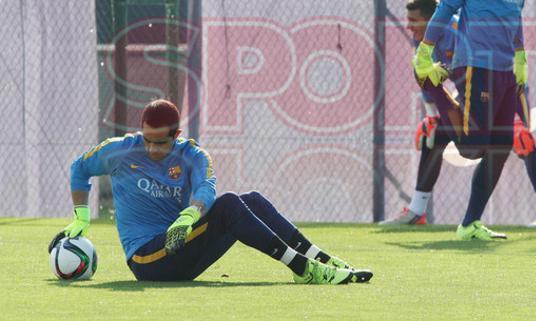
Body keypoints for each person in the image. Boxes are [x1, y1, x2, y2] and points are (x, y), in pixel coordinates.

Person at [48, 99, 373, 284]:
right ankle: (304, 270)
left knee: (252, 200)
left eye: (160, 142)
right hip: (148, 260)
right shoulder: (120, 150)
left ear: (176, 135)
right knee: (232, 205)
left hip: (182, 245)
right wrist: (81, 216)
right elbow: (79, 168)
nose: (151, 148)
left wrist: (187, 217)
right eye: (146, 139)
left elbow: (207, 187)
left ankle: (323, 260)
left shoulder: (193, 155)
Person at [412, 0, 536, 240]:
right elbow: (445, 7)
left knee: (500, 146)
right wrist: (426, 51)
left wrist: (520, 57)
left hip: (503, 68)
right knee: (472, 147)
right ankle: (436, 94)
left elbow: (515, 17)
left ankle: (469, 224)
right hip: (475, 64)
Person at [381, 0, 536, 227]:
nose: (409, 26)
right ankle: (417, 211)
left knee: (521, 140)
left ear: (432, 20)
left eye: (414, 21)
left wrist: (512, 116)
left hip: (504, 89)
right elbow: (428, 78)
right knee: (432, 134)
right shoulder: (422, 39)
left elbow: (496, 71)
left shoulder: (459, 34)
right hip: (469, 95)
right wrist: (433, 116)